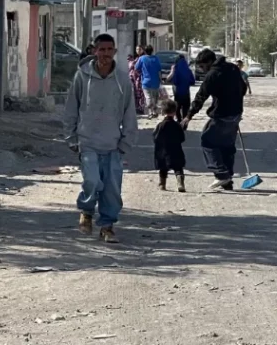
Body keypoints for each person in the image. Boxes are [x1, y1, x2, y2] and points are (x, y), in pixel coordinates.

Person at [63, 34, 138, 244]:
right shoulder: (82, 76)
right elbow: (71, 109)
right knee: (92, 181)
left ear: (115, 51)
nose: (105, 54)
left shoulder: (122, 80)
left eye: (109, 49)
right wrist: (71, 138)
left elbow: (129, 113)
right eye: (101, 49)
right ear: (94, 51)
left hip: (113, 144)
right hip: (87, 142)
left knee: (112, 190)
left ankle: (107, 226)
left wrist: (126, 142)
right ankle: (86, 211)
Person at [183, 49, 245, 191]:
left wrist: (188, 116)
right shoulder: (233, 68)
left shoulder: (212, 74)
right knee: (227, 146)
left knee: (208, 142)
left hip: (221, 114)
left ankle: (222, 174)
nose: (202, 69)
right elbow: (243, 88)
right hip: (236, 114)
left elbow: (201, 96)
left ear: (210, 62)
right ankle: (227, 180)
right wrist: (235, 101)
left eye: (202, 66)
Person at [153, 101, 187, 192]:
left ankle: (162, 184)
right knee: (178, 168)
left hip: (163, 151)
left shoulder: (160, 125)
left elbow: (155, 138)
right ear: (175, 112)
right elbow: (182, 138)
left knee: (163, 168)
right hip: (176, 150)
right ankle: (180, 183)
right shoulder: (177, 125)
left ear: (162, 112)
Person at [135, 45, 162, 118]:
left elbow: (136, 68)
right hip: (155, 82)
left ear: (145, 51)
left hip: (145, 82)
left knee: (148, 97)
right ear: (152, 51)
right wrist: (161, 80)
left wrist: (141, 72)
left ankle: (150, 112)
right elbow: (159, 71)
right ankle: (155, 111)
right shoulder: (156, 58)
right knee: (155, 97)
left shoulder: (141, 58)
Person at [168, 54, 195, 121]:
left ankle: (179, 120)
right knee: (185, 109)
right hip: (186, 93)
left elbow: (174, 81)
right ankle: (184, 122)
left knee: (177, 108)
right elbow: (192, 81)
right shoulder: (188, 70)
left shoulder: (176, 69)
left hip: (178, 93)